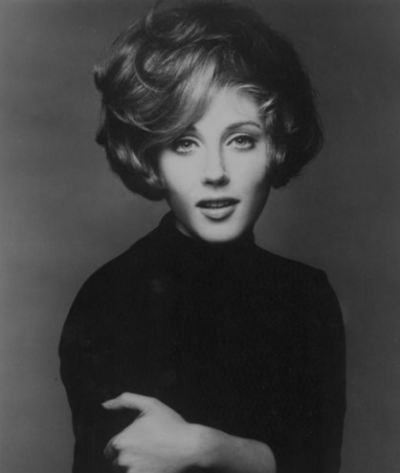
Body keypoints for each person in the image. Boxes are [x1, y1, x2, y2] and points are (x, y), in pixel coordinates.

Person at [59, 1, 346, 472]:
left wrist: (207, 448)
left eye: (241, 139)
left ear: (276, 146)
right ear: (150, 158)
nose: (215, 172)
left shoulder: (307, 296)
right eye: (184, 143)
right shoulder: (110, 297)